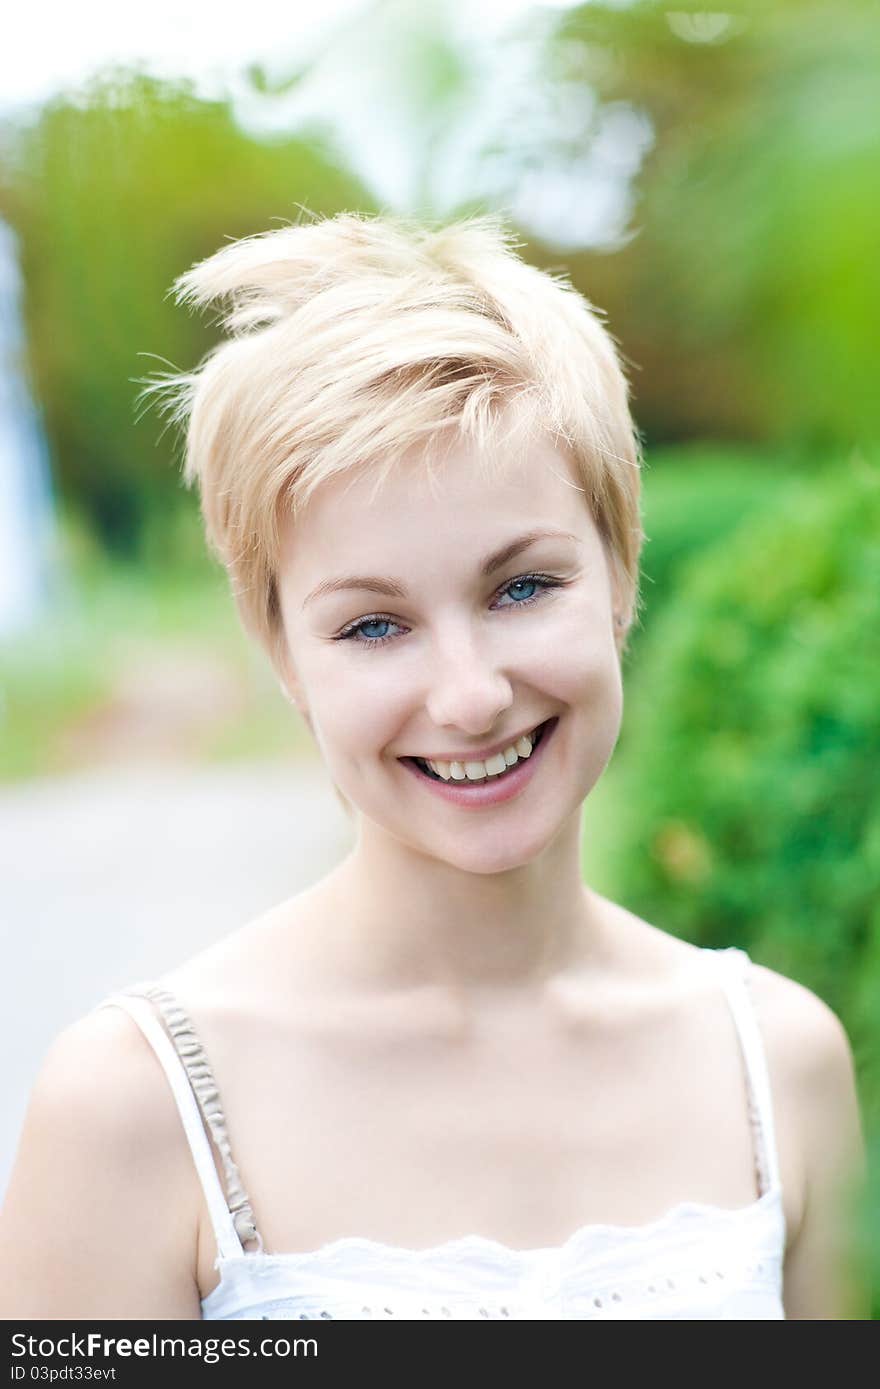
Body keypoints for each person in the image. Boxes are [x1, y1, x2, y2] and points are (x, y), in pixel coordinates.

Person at [0, 210, 867, 1321]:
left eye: (520, 588)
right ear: (283, 657)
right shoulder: (134, 1110)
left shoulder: (778, 1062)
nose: (467, 695)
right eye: (372, 625)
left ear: (620, 573)